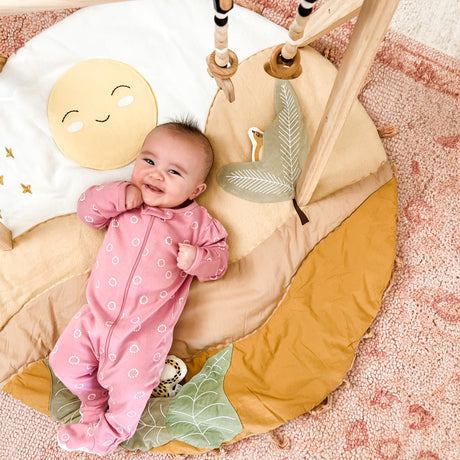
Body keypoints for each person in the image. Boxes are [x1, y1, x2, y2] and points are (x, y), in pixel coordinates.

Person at [49, 118, 229, 455]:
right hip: (96, 317)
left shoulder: (197, 223)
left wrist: (197, 259)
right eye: (149, 161)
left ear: (195, 190)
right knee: (63, 362)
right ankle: (93, 404)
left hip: (143, 333)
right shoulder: (124, 201)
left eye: (174, 172)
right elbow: (87, 211)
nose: (156, 174)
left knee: (132, 390)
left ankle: (107, 436)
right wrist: (116, 196)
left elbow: (219, 263)